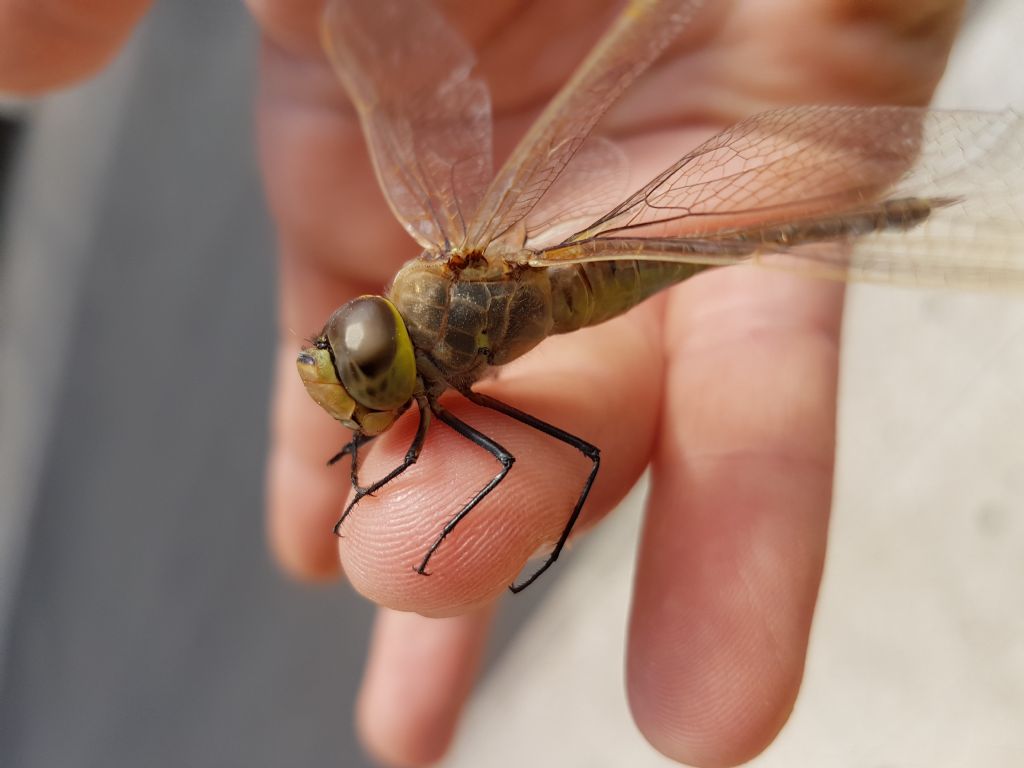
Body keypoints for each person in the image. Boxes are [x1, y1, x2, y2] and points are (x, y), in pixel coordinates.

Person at [0, 1, 965, 765]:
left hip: (620, 241)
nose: (353, 362)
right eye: (353, 357)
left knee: (543, 458)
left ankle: (914, 207)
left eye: (358, 361)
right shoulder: (417, 324)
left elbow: (527, 456)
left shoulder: (440, 339)